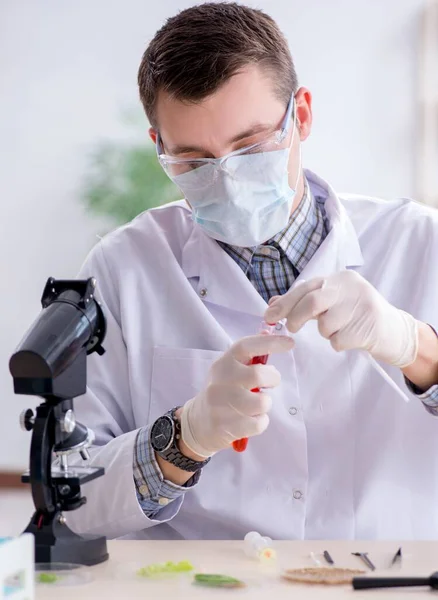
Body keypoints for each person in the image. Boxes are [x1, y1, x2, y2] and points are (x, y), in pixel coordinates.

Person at [67, 2, 438, 541]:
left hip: (387, 579)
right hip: (201, 586)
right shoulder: (122, 269)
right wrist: (185, 438)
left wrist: (417, 349)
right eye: (194, 161)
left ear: (302, 116)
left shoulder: (422, 241)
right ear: (159, 148)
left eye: (251, 146)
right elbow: (76, 499)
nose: (230, 182)